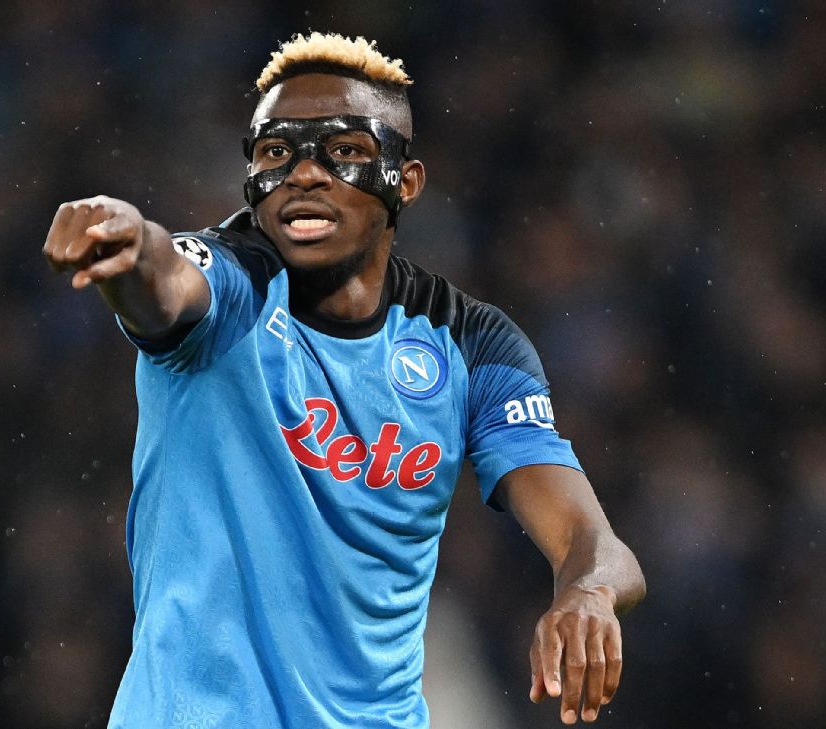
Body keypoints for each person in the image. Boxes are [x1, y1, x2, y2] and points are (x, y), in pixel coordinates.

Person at [43, 32, 645, 729]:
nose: (304, 172)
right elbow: (167, 280)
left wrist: (589, 593)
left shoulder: (472, 344)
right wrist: (131, 242)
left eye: (345, 150)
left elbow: (591, 540)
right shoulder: (235, 285)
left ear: (405, 182)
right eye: (277, 151)